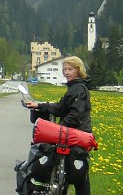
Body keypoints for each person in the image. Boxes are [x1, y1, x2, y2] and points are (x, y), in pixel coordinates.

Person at [25, 56, 94, 195]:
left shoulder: (79, 89)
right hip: (72, 132)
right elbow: (60, 108)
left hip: (78, 134)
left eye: (70, 69)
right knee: (68, 170)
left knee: (79, 175)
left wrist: (58, 128)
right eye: (65, 69)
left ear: (78, 70)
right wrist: (39, 105)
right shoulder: (74, 87)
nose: (67, 72)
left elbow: (75, 115)